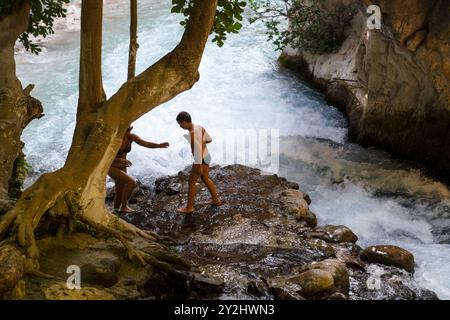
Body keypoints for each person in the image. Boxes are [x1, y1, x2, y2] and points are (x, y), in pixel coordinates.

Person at [108, 126, 169, 213]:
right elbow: (106, 158)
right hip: (112, 166)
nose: (128, 134)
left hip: (123, 166)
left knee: (119, 189)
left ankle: (116, 210)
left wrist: (159, 145)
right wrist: (121, 160)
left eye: (129, 131)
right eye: (126, 132)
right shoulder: (115, 140)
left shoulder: (131, 137)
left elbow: (146, 144)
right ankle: (124, 207)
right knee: (131, 182)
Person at [176, 111, 221, 213]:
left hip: (199, 159)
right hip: (207, 156)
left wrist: (199, 166)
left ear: (183, 122)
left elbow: (197, 152)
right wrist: (201, 142)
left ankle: (189, 208)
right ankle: (216, 200)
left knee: (191, 182)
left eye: (179, 124)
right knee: (205, 178)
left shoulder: (192, 134)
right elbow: (209, 140)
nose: (180, 126)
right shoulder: (199, 127)